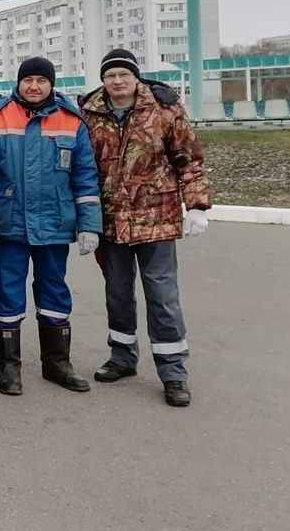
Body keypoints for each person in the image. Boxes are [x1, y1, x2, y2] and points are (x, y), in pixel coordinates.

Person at [79, 49, 211, 408]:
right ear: (103, 80)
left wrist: (196, 204)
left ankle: (173, 372)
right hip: (112, 224)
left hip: (157, 220)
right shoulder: (88, 114)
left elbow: (189, 159)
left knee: (163, 297)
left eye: (123, 74)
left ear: (136, 77)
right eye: (110, 76)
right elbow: (80, 168)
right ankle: (122, 357)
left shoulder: (164, 109)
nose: (117, 81)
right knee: (117, 294)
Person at [0, 56, 102, 396]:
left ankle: (57, 364)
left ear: (51, 84)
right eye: (27, 80)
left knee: (54, 291)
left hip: (54, 224)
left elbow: (85, 176)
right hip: (9, 224)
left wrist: (90, 224)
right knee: (7, 292)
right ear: (18, 83)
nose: (34, 86)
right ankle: (9, 368)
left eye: (41, 81)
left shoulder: (72, 122)